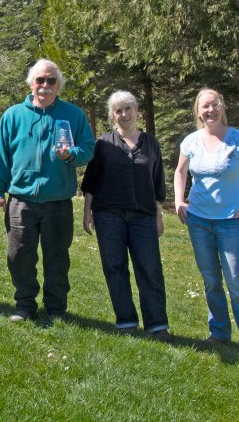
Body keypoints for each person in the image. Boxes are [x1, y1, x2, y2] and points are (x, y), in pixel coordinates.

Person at [0, 59, 95, 322]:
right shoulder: (13, 115)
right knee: (18, 256)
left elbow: (88, 149)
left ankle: (56, 308)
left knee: (57, 258)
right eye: (40, 80)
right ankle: (25, 305)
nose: (45, 85)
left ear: (58, 86)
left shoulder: (73, 115)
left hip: (58, 201)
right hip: (21, 200)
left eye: (51, 81)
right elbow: (0, 156)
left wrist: (71, 155)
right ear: (31, 84)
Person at [174, 88, 239, 355]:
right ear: (198, 111)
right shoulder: (191, 142)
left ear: (222, 106)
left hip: (232, 223)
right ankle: (219, 334)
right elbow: (180, 172)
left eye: (214, 104)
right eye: (204, 106)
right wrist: (178, 201)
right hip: (198, 221)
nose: (210, 110)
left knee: (236, 280)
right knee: (211, 280)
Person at [81, 91, 170, 341]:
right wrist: (87, 212)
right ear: (112, 115)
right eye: (118, 110)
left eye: (128, 108)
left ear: (137, 110)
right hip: (108, 214)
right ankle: (126, 321)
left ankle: (157, 325)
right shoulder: (104, 143)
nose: (124, 114)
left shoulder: (151, 143)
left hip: (143, 215)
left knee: (150, 268)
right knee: (114, 266)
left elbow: (158, 182)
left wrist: (158, 216)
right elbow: (91, 181)